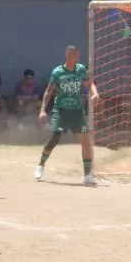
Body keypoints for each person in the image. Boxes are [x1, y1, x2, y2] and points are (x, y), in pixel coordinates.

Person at [34, 46, 100, 185]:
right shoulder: (57, 72)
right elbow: (48, 91)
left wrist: (95, 93)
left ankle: (88, 175)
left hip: (77, 111)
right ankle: (41, 165)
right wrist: (42, 110)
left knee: (86, 141)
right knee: (54, 138)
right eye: (76, 56)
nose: (78, 58)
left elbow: (90, 83)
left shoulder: (81, 69)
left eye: (79, 56)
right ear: (68, 56)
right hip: (61, 110)